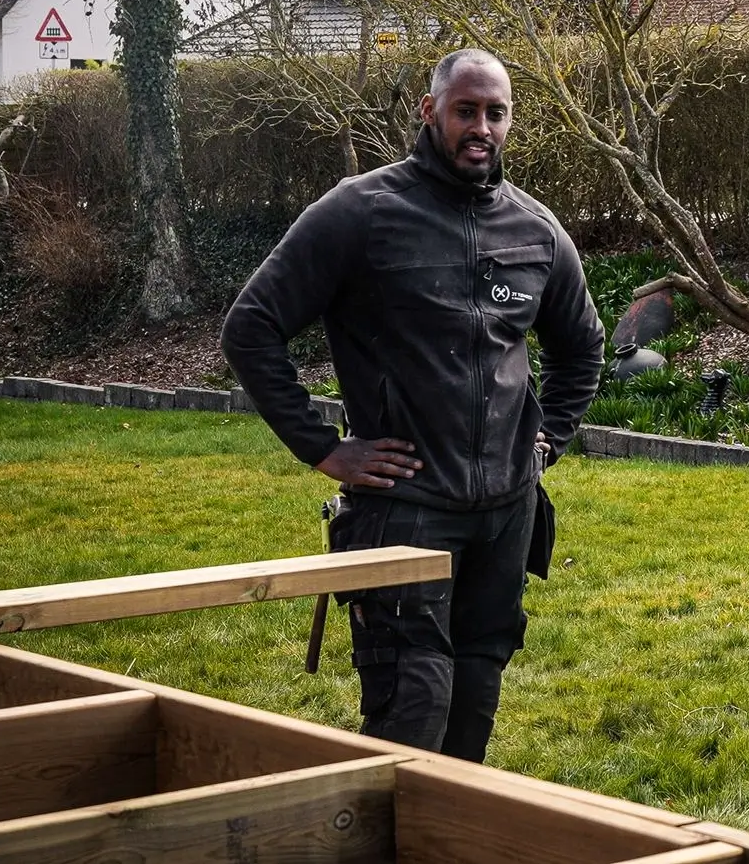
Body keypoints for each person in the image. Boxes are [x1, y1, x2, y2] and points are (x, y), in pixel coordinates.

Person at [221, 47, 604, 762]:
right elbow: (250, 326)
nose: (481, 127)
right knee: (414, 706)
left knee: (472, 707)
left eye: (496, 112)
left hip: (505, 517)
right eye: (466, 110)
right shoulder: (361, 212)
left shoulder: (536, 230)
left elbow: (583, 345)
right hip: (406, 507)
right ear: (430, 111)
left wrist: (546, 435)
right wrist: (325, 447)